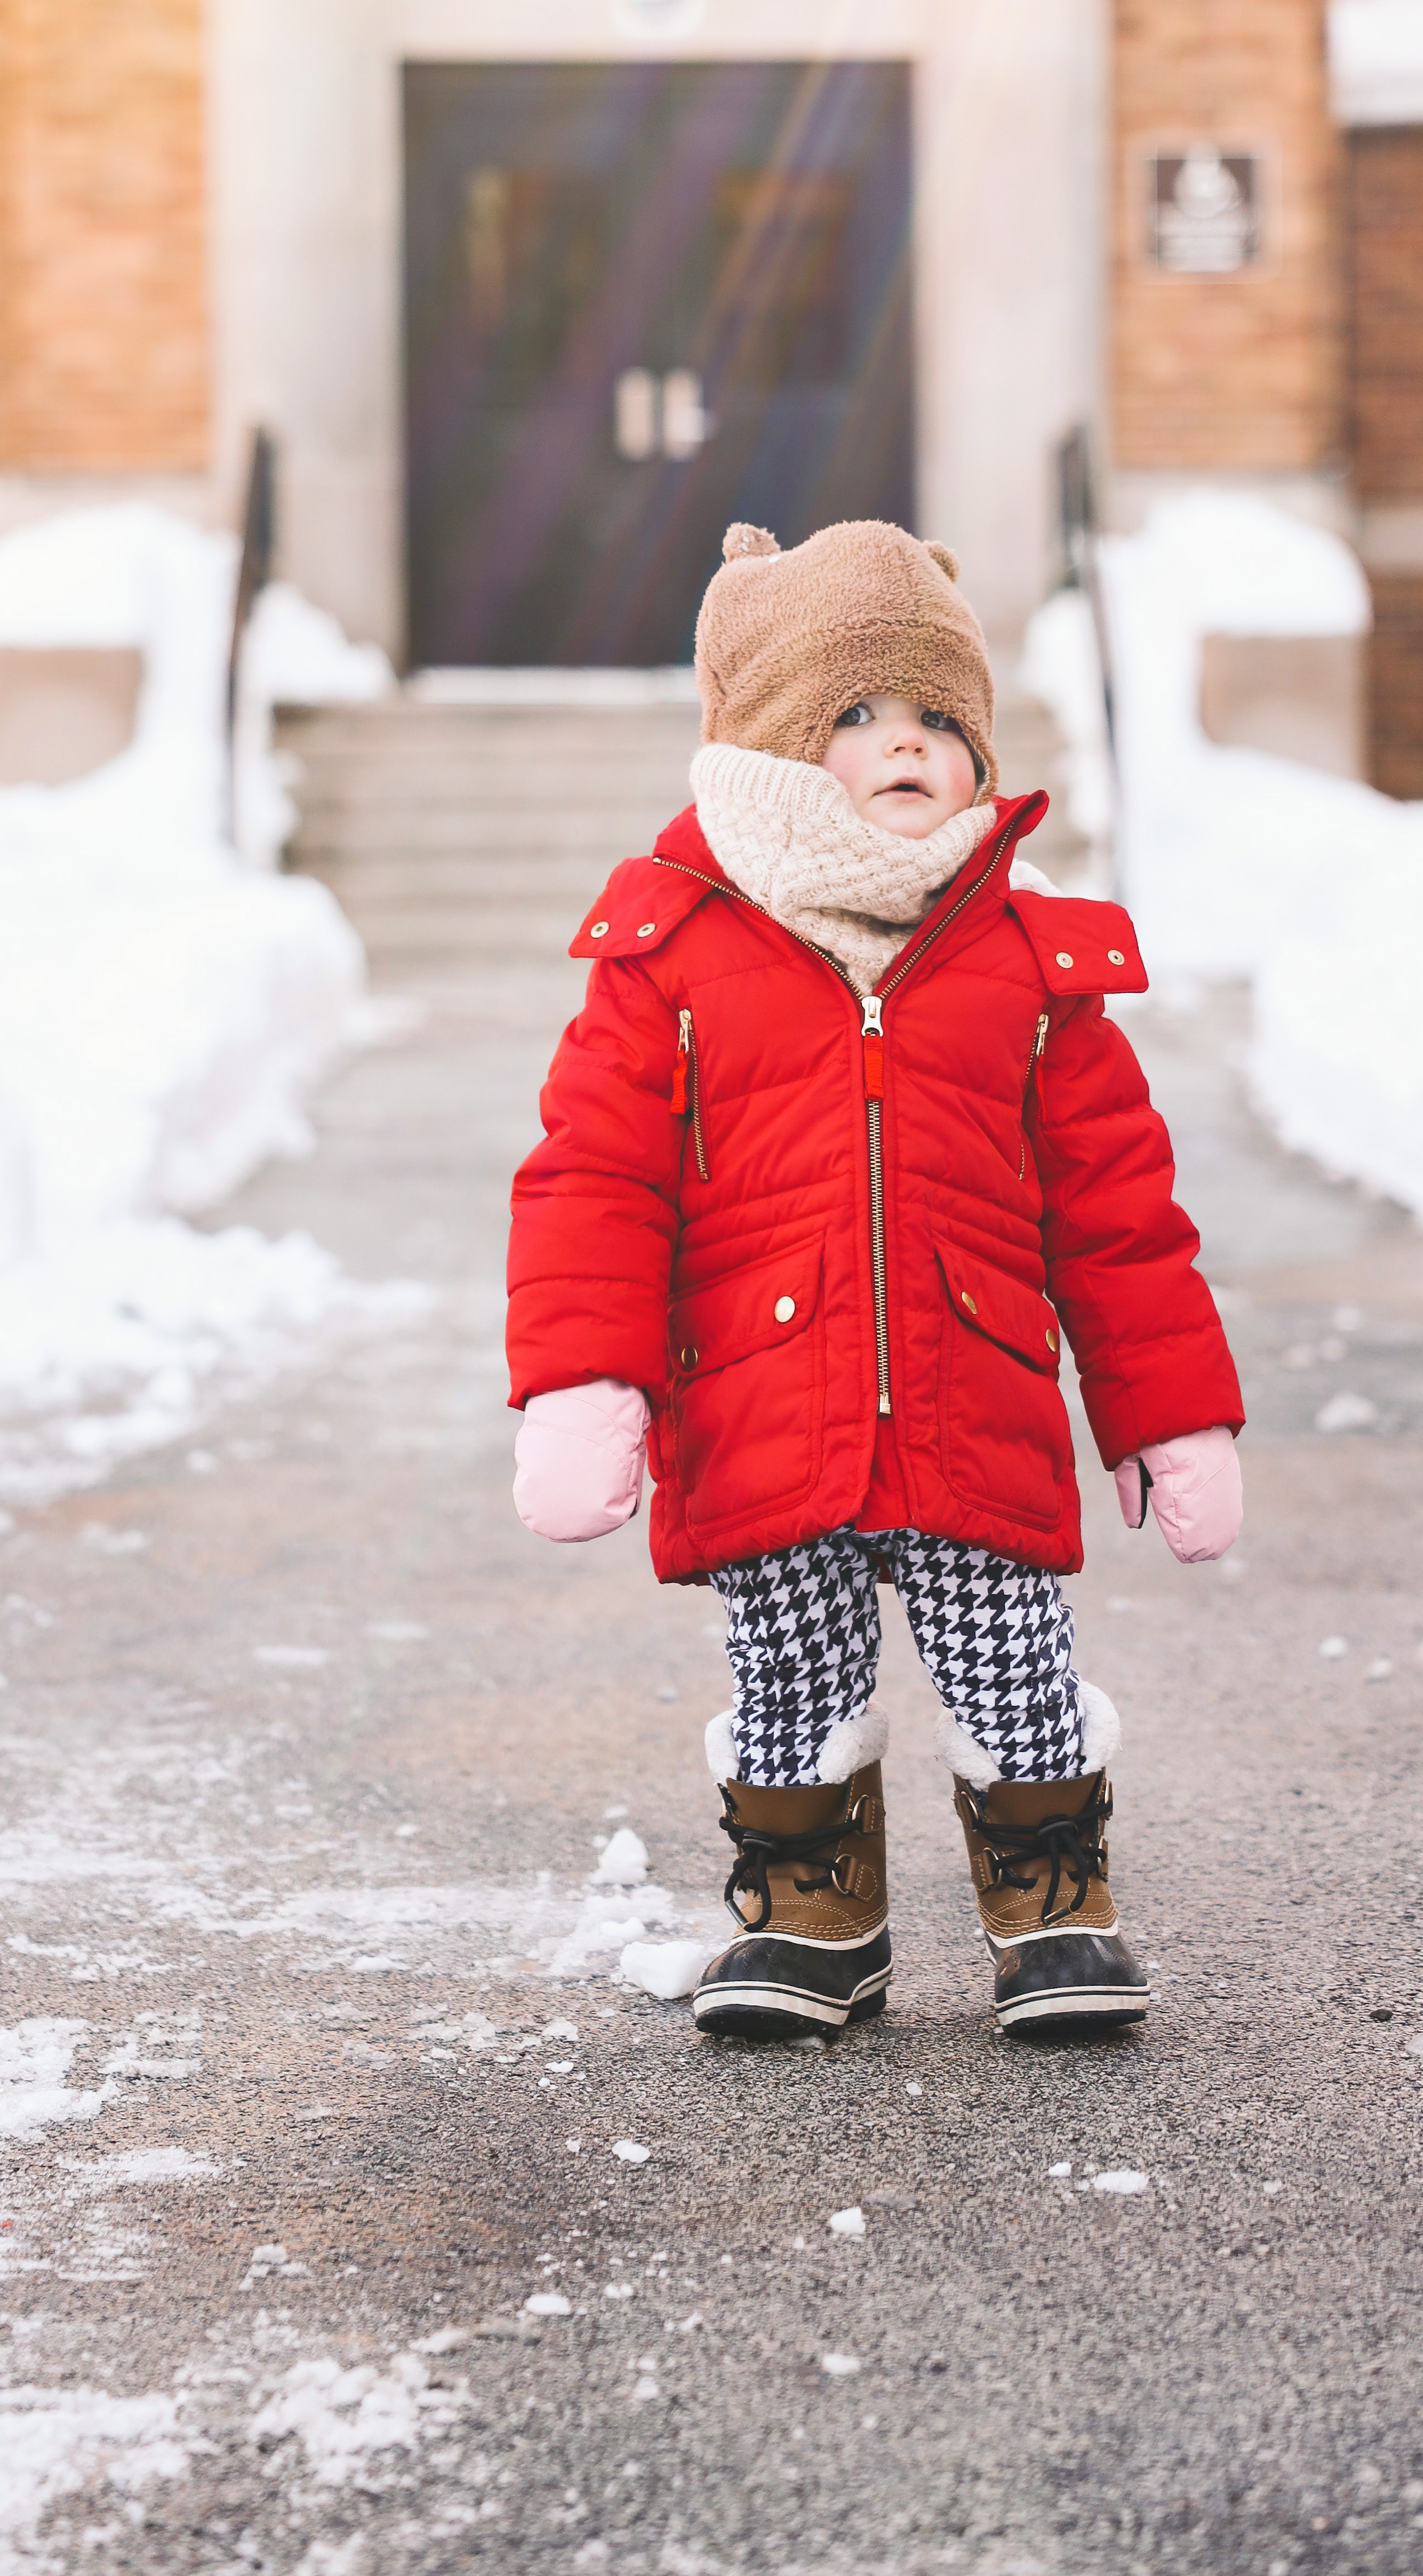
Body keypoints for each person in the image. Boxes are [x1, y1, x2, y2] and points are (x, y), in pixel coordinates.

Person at [505, 518, 1244, 2043]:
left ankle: (1054, 1907)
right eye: (854, 717)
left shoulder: (1029, 965)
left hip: (975, 1405)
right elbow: (593, 1184)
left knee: (1014, 1669)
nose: (904, 746)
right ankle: (814, 1914)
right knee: (788, 1677)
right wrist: (589, 1387)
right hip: (763, 1411)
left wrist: (1171, 1419)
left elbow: (1117, 1219)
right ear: (773, 747)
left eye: (936, 722)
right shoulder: (672, 955)